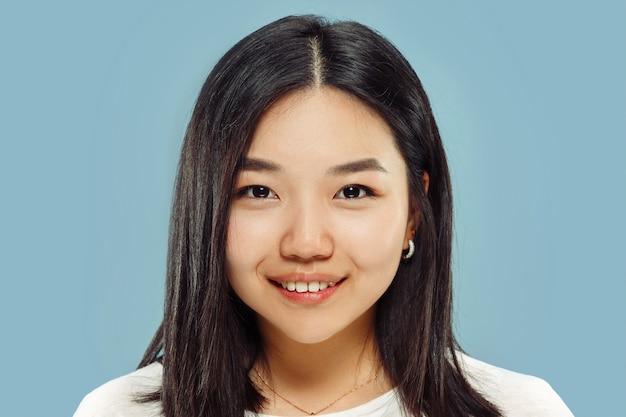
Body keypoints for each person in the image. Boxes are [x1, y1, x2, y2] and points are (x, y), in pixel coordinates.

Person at [74, 15, 574, 417]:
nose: (307, 242)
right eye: (259, 190)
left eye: (353, 191)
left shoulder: (520, 410)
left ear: (413, 215)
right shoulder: (118, 411)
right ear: (206, 206)